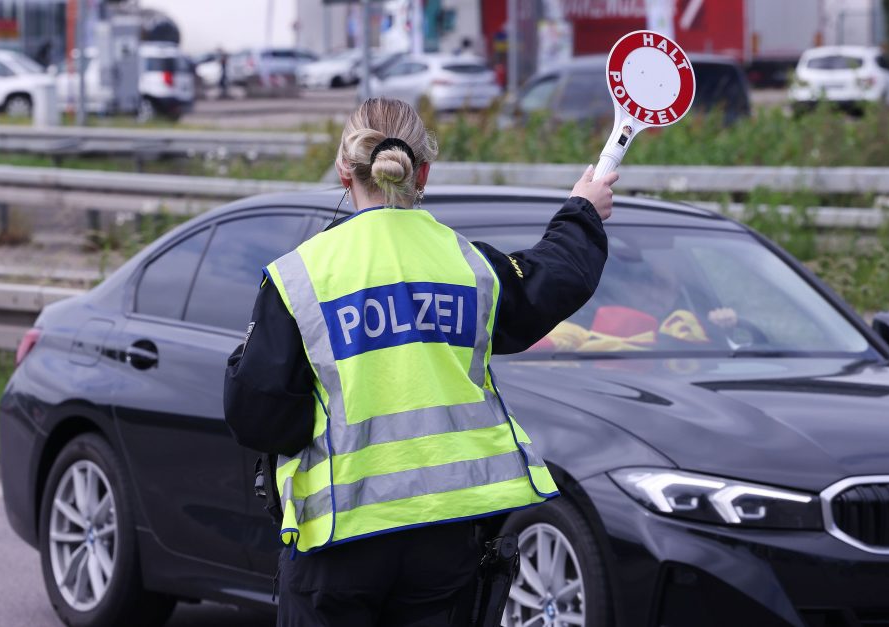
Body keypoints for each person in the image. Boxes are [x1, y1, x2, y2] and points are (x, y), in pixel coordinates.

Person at [223, 97, 616, 627]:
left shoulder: (301, 276)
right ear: (422, 170)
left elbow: (259, 416)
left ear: (344, 170)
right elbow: (549, 281)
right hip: (445, 543)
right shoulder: (466, 264)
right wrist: (582, 211)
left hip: (338, 545)